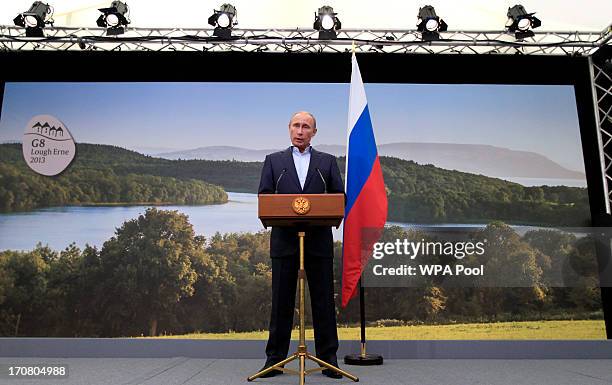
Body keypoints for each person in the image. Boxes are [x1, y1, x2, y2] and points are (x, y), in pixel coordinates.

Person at [257, 111, 344, 379]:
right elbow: (264, 196)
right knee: (281, 301)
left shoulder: (327, 163)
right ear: (289, 129)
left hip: (318, 241)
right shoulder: (274, 161)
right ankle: (275, 360)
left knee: (323, 302)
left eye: (306, 126)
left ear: (314, 132)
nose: (300, 130)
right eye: (296, 125)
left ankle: (329, 359)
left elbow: (339, 196)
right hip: (284, 240)